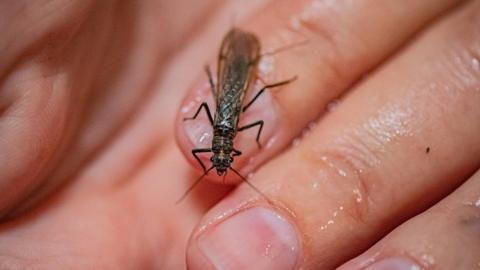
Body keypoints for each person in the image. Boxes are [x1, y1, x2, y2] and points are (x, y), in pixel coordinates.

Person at [1, 1, 479, 269]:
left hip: (234, 77)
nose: (220, 158)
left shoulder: (220, 137)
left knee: (246, 91)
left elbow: (227, 106)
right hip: (232, 82)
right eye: (222, 156)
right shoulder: (223, 138)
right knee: (242, 96)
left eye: (221, 156)